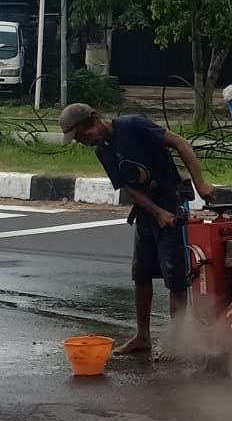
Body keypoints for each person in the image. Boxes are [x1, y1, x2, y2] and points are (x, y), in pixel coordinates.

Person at [59, 102, 216, 358]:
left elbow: (180, 143)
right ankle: (143, 337)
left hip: (172, 202)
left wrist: (200, 184)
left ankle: (177, 341)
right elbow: (129, 188)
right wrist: (156, 212)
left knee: (176, 277)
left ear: (95, 119)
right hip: (148, 210)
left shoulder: (134, 126)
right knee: (141, 275)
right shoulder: (102, 150)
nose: (84, 142)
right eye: (78, 140)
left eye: (83, 135)